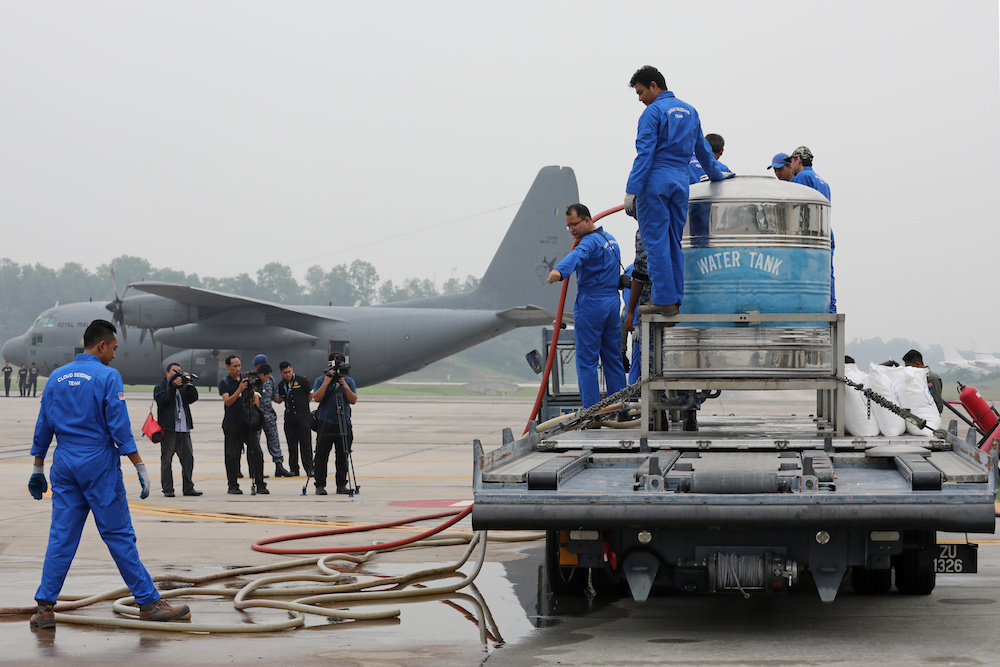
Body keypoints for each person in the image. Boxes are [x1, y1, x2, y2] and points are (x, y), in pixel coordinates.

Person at [26, 319, 190, 629]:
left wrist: (37, 467)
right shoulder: (107, 376)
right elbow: (118, 426)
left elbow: (43, 425)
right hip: (97, 463)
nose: (115, 355)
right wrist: (139, 464)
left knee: (61, 536)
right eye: (113, 348)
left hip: (64, 463)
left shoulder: (57, 377)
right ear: (101, 346)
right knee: (117, 535)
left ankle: (45, 608)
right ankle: (149, 602)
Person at [624, 65, 729, 315]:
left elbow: (645, 154)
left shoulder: (652, 113)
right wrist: (718, 176)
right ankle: (675, 298)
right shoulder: (691, 111)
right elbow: (703, 150)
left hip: (655, 182)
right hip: (680, 183)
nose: (640, 98)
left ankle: (663, 300)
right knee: (673, 240)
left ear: (653, 85)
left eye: (640, 92)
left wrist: (632, 189)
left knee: (655, 243)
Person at [548, 203, 627, 408]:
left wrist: (559, 270)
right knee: (612, 358)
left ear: (587, 220)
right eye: (568, 226)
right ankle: (620, 408)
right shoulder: (610, 240)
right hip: (611, 304)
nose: (571, 230)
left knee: (587, 361)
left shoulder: (589, 242)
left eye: (574, 224)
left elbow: (578, 255)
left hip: (592, 303)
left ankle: (592, 413)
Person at [786, 145, 835, 313]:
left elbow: (795, 207)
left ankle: (801, 309)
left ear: (799, 160)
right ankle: (830, 309)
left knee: (802, 273)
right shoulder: (823, 181)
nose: (790, 166)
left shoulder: (802, 177)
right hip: (825, 232)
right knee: (826, 275)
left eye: (792, 161)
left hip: (808, 233)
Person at [219, 355, 268, 495]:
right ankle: (232, 485)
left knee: (256, 452)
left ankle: (260, 483)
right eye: (234, 366)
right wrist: (239, 390)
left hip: (247, 421)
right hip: (232, 422)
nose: (237, 369)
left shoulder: (245, 380)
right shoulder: (225, 383)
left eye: (239, 365)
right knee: (232, 455)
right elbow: (228, 401)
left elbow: (253, 398)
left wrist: (251, 391)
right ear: (228, 367)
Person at [153, 363, 202, 497]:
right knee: (167, 460)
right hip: (169, 429)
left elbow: (193, 398)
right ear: (167, 373)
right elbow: (164, 401)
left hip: (184, 429)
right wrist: (172, 386)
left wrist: (188, 384)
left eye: (179, 371)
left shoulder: (182, 388)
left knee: (188, 459)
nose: (177, 374)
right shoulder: (160, 387)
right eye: (174, 371)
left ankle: (188, 487)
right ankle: (168, 489)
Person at [312, 353, 358, 495]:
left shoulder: (348, 381)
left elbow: (353, 400)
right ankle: (320, 485)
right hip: (326, 423)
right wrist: (327, 382)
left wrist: (344, 385)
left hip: (343, 423)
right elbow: (317, 398)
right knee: (321, 456)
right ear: (329, 365)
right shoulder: (321, 380)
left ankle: (341, 485)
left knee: (343, 456)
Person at [252, 354, 291, 477]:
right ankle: (255, 470)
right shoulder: (252, 379)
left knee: (274, 441)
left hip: (268, 415)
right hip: (255, 417)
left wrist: (281, 398)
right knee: (255, 444)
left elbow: (274, 396)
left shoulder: (270, 379)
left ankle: (279, 466)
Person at [274, 361, 313, 477]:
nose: (287, 374)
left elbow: (310, 395)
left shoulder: (302, 381)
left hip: (303, 416)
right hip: (290, 418)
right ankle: (294, 469)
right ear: (281, 373)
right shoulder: (282, 385)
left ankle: (309, 468)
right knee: (292, 445)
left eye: (289, 372)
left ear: (292, 369)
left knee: (306, 444)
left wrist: (304, 406)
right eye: (285, 373)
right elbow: (281, 398)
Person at [903, 349, 944, 414]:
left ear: (917, 363)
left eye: (908, 367)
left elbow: (936, 403)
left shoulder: (931, 379)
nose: (908, 370)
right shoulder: (913, 378)